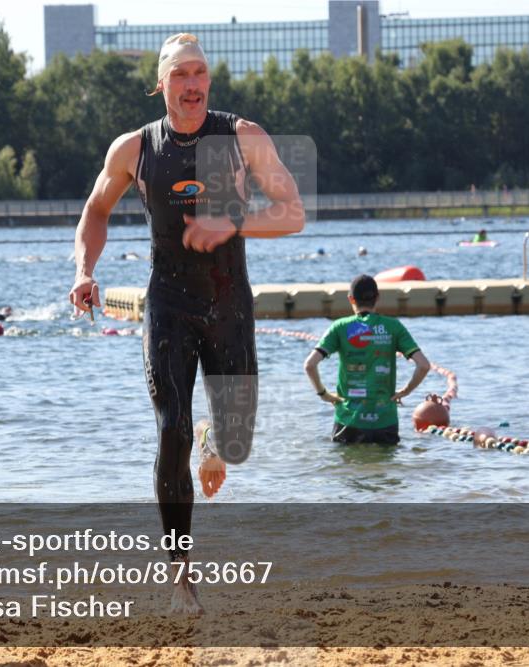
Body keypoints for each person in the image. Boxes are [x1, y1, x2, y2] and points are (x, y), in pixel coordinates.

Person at [66, 33, 305, 613]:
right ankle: (181, 574)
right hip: (168, 303)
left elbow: (293, 212)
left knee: (236, 438)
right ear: (162, 83)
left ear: (208, 83)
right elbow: (96, 209)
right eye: (180, 75)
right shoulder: (135, 148)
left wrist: (234, 225)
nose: (192, 84)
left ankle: (215, 443)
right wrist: (84, 269)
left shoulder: (242, 137)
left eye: (200, 73)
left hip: (229, 304)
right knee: (171, 427)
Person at [303, 275, 430, 445]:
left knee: (347, 468)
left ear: (351, 299)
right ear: (377, 298)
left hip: (349, 421)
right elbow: (423, 366)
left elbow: (310, 365)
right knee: (384, 468)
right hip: (385, 420)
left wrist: (323, 394)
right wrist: (406, 391)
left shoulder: (340, 327)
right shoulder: (393, 326)